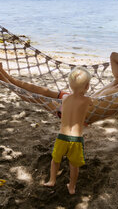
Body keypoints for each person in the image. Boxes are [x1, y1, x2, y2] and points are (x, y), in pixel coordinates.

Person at [0, 52, 118, 123]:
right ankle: (9, 78)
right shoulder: (117, 80)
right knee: (44, 91)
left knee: (39, 99)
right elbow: (114, 56)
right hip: (78, 100)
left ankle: (4, 82)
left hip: (79, 113)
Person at [42, 66, 93, 194]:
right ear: (87, 87)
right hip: (76, 139)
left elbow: (63, 111)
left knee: (55, 160)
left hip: (62, 137)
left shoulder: (65, 99)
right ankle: (71, 187)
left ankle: (52, 180)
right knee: (73, 165)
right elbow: (90, 107)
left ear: (70, 85)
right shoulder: (87, 100)